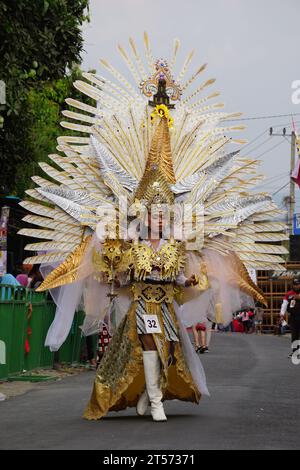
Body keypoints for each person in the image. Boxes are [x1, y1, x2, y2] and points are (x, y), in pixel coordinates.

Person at [19, 34, 286, 422]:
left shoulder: (180, 244)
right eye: (154, 212)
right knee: (147, 345)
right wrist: (112, 276)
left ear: (169, 215)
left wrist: (196, 279)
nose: (158, 218)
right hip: (141, 306)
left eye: (164, 213)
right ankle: (156, 401)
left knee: (167, 350)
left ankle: (151, 393)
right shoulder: (128, 238)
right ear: (145, 213)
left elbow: (188, 280)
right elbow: (117, 275)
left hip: (166, 308)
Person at [280, 278, 300, 357]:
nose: (296, 286)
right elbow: (284, 304)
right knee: (294, 335)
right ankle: (295, 352)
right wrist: (282, 314)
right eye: (294, 285)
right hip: (293, 317)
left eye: (297, 284)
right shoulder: (289, 294)